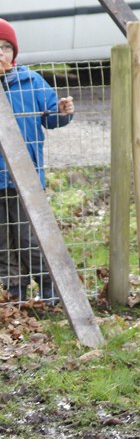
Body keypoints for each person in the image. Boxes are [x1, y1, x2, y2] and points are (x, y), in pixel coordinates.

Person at [0, 19, 74, 304]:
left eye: (6, 47)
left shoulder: (31, 83)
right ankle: (13, 292)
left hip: (27, 181)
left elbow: (52, 116)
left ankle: (49, 289)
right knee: (4, 244)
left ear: (14, 53)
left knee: (30, 239)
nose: (1, 53)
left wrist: (63, 112)